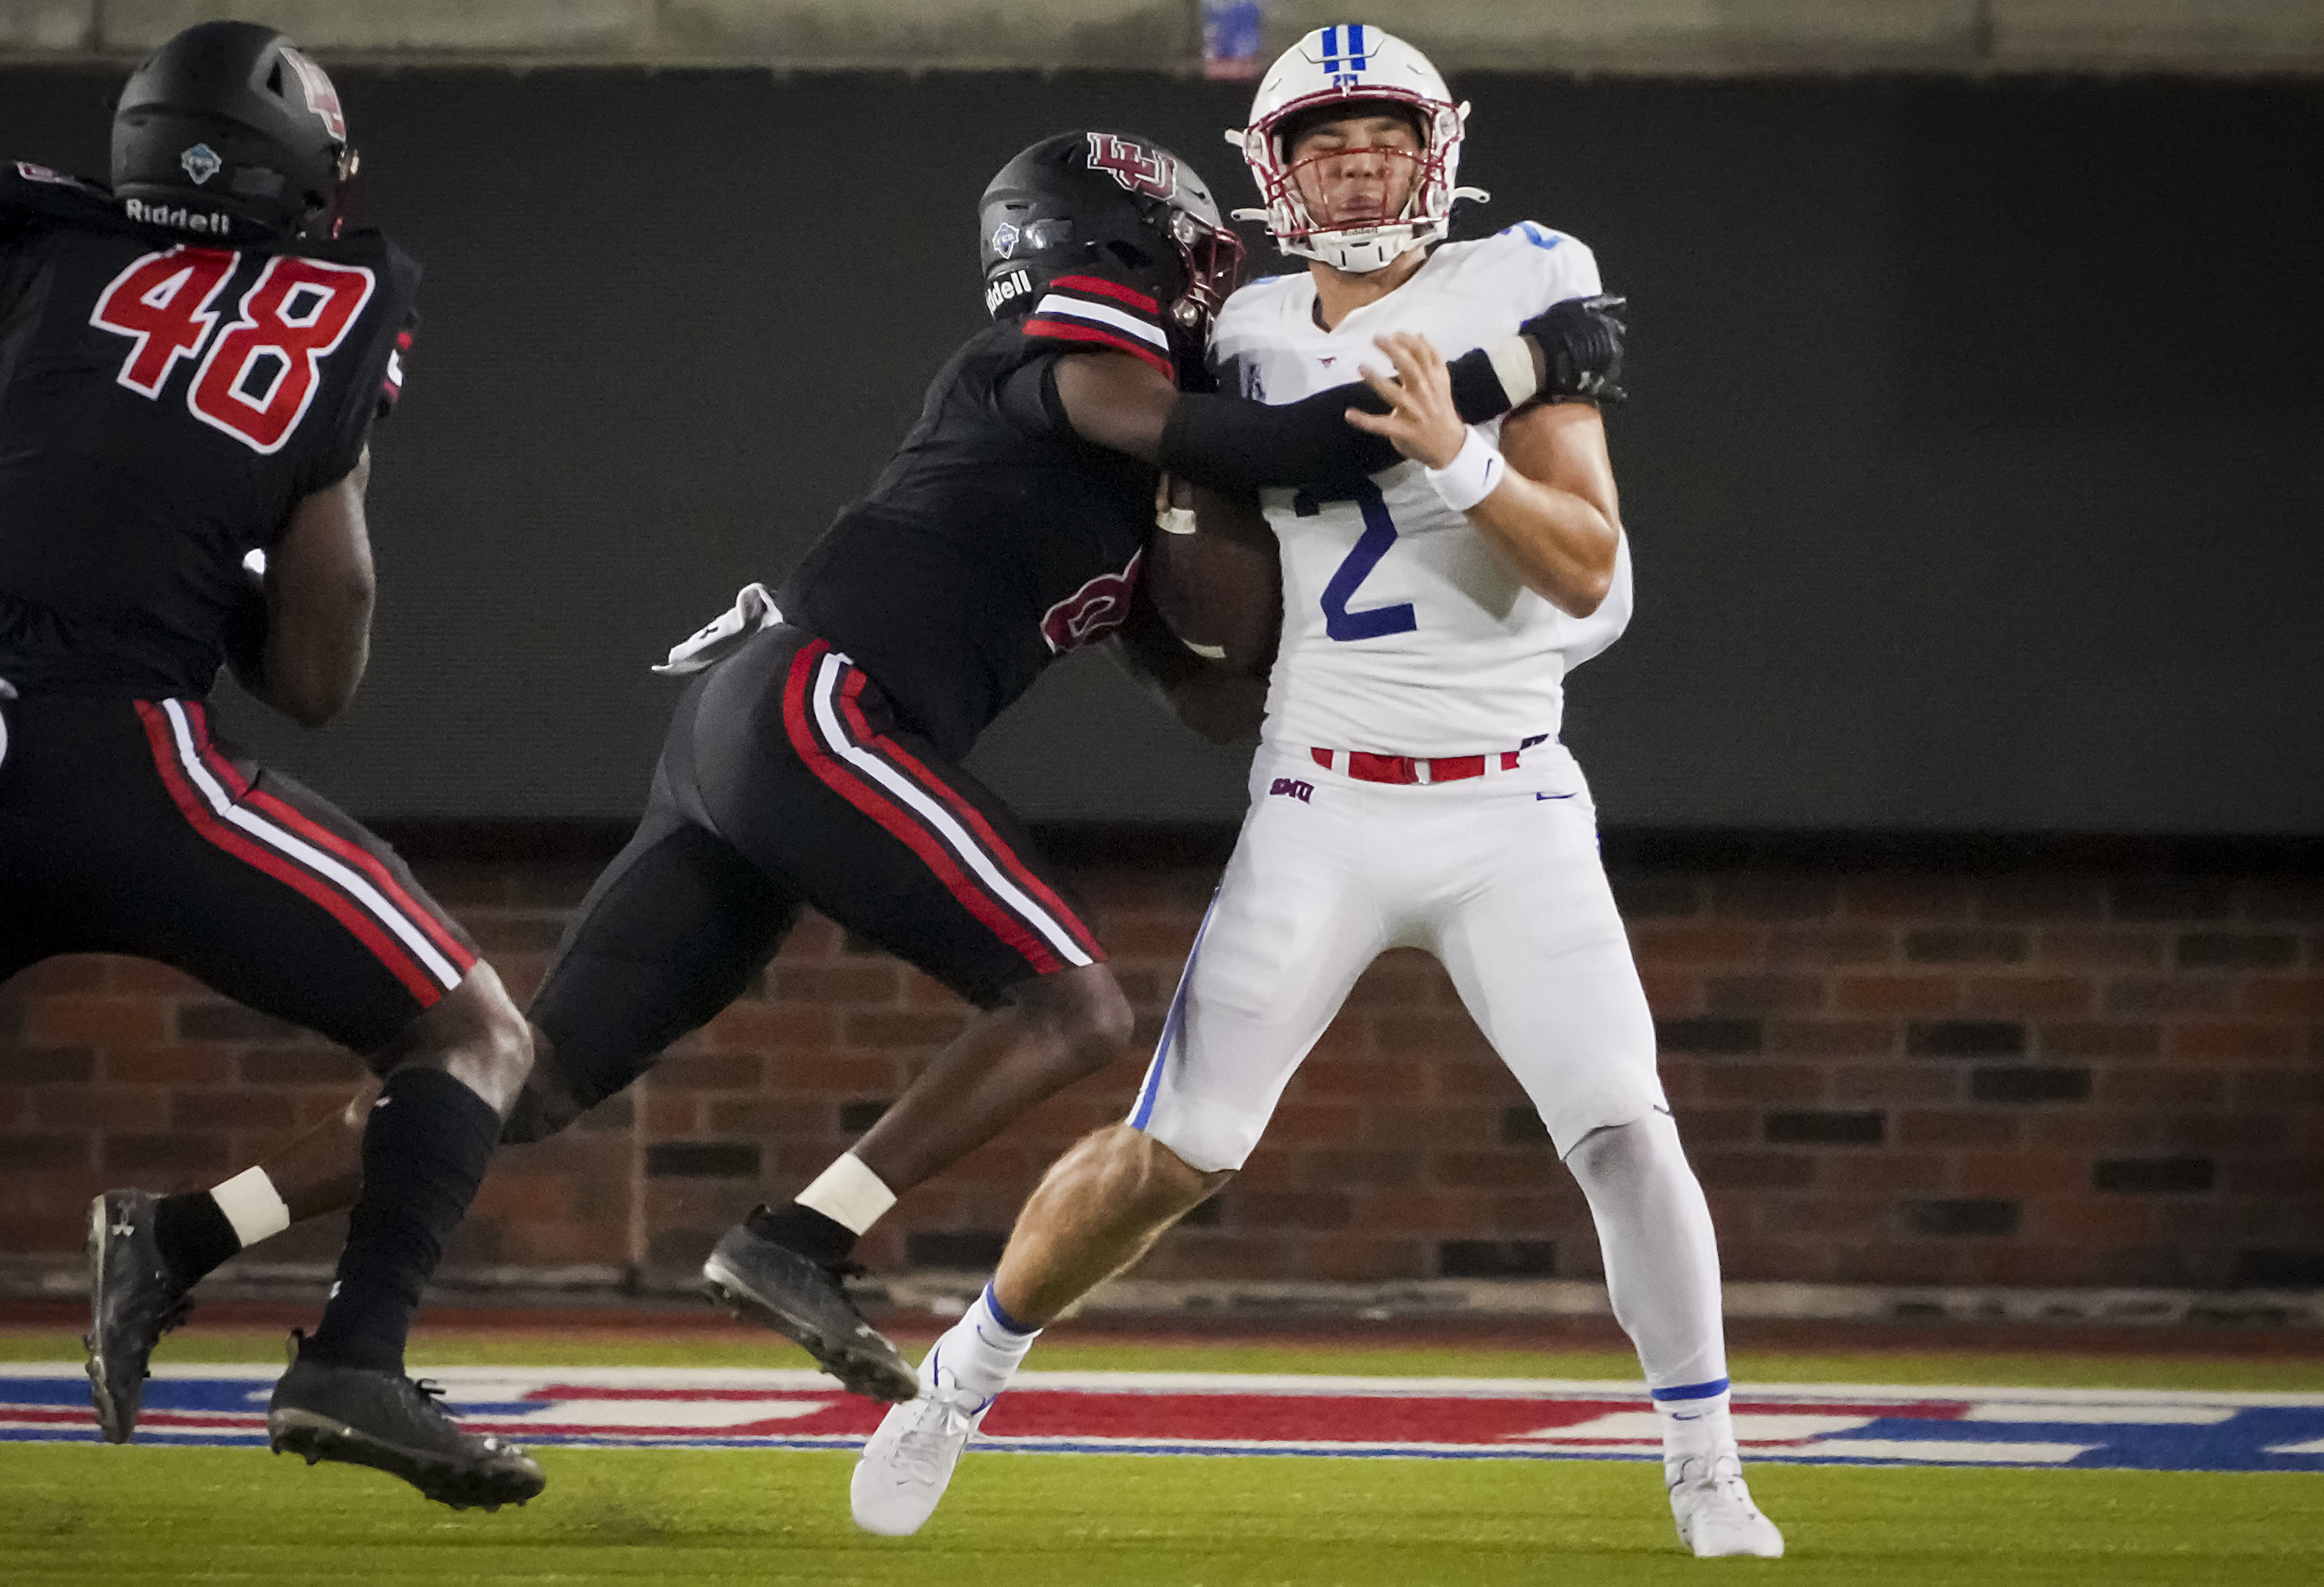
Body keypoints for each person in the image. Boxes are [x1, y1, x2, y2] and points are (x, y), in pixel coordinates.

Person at [83, 129, 1626, 1410]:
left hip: (777, 727)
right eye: (1188, 244)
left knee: (531, 1076)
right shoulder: (1067, 350)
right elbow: (1265, 442)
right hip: (822, 707)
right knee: (1073, 1003)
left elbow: (1210, 694)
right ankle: (798, 1237)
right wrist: (1510, 375)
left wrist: (1208, 546)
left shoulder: (1152, 455)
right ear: (1129, 244)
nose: (1214, 268)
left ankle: (179, 1231)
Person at [851, 24, 1785, 1561]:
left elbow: (1593, 569)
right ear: (1270, 175)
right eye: (1324, 142)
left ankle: (1706, 1464)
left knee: (1627, 1127)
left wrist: (1460, 459)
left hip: (1509, 798)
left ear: (1443, 149)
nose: (1359, 165)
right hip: (1321, 790)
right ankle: (959, 1381)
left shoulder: (1523, 274)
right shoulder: (1239, 328)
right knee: (1181, 1146)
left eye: (1384, 137)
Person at [0, 21, 543, 1508]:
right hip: (118, 746)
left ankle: (178, 1246)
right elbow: (317, 667)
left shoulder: (39, 241)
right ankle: (353, 1359)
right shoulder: (341, 295)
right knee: (473, 1038)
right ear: (302, 169)